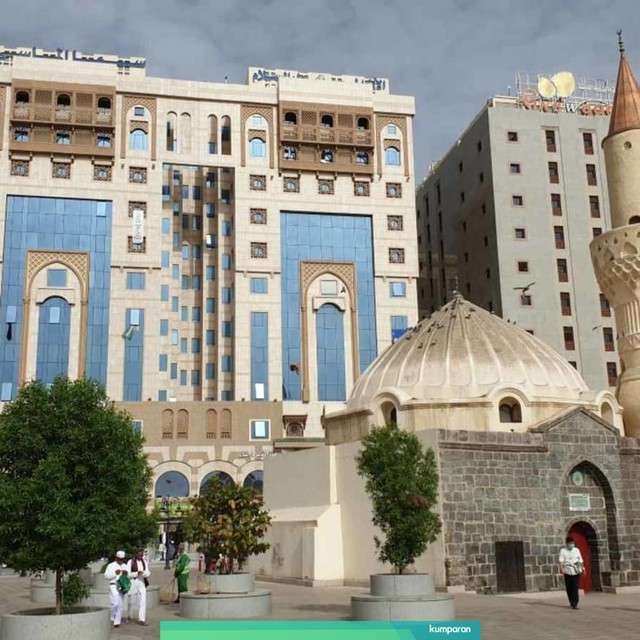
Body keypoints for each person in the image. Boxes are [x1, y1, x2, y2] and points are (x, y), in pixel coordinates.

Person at [104, 551, 128, 627]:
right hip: (113, 585)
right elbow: (106, 576)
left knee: (120, 604)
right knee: (115, 603)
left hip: (122, 586)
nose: (121, 561)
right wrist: (115, 573)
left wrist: (126, 574)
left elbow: (129, 576)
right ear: (116, 558)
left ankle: (117, 622)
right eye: (119, 559)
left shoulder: (125, 565)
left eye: (122, 559)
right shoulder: (111, 565)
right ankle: (112, 617)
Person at [127, 549, 151, 626]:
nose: (141, 556)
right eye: (139, 555)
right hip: (133, 582)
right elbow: (127, 574)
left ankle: (142, 619)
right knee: (131, 600)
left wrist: (143, 573)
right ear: (136, 554)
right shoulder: (130, 562)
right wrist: (136, 573)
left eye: (142, 555)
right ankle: (130, 616)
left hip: (142, 582)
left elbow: (148, 572)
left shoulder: (144, 562)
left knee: (143, 600)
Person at [559, 536, 584, 609]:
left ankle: (575, 603)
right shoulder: (563, 550)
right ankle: (571, 601)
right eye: (570, 543)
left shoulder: (576, 550)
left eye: (573, 543)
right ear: (567, 544)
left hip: (576, 571)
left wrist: (582, 568)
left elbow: (580, 560)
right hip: (567, 571)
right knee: (569, 588)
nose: (571, 545)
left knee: (575, 587)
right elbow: (561, 561)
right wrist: (561, 569)